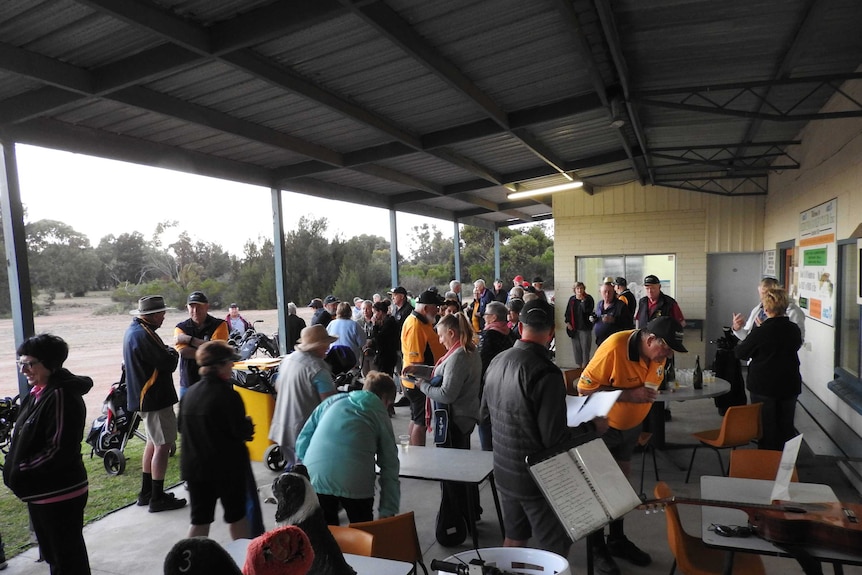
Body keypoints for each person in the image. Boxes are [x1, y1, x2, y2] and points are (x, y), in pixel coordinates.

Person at [481, 299, 608, 557]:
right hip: (537, 478)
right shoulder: (546, 373)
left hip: (504, 470)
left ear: (519, 326)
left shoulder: (497, 362)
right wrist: (593, 427)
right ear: (551, 332)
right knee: (555, 552)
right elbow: (555, 439)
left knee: (514, 542)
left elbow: (483, 413)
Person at [578, 316, 686, 574]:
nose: (669, 355)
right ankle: (596, 547)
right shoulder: (615, 348)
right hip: (605, 428)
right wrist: (629, 395)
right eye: (666, 348)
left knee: (621, 487)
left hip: (630, 429)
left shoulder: (656, 354)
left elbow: (651, 381)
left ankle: (616, 539)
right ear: (650, 340)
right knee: (600, 488)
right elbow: (583, 388)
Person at [3, 334, 93, 574]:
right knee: (57, 557)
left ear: (51, 365)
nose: (24, 370)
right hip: (41, 492)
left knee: (67, 561)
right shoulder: (38, 393)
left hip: (59, 494)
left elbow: (59, 450)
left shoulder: (61, 396)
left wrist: (20, 469)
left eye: (30, 364)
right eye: (20, 363)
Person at [296, 371, 400, 525]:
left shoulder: (332, 401)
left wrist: (313, 466)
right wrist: (387, 509)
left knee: (325, 537)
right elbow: (389, 464)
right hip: (355, 481)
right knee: (362, 535)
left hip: (316, 477)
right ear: (385, 399)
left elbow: (302, 440)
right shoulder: (379, 412)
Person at [179, 341, 254, 540]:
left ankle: (189, 563)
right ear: (219, 365)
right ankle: (242, 562)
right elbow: (240, 432)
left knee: (199, 521)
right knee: (237, 518)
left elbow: (181, 428)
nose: (232, 366)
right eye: (230, 362)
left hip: (195, 469)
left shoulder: (189, 394)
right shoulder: (228, 395)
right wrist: (248, 425)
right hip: (226, 470)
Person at [124, 296, 187, 513]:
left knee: (152, 442)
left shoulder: (135, 331)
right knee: (164, 445)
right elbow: (168, 362)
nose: (163, 317)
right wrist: (171, 351)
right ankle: (157, 498)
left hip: (146, 399)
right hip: (155, 399)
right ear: (151, 315)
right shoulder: (144, 335)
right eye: (161, 313)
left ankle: (147, 492)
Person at [734, 288, 802, 451]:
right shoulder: (793, 329)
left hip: (764, 385)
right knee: (786, 426)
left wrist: (757, 331)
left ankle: (768, 463)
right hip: (789, 383)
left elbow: (741, 352)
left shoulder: (761, 331)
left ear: (765, 309)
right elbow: (796, 345)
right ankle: (786, 465)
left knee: (766, 428)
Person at [269, 325, 338, 468]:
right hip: (304, 433)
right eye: (326, 344)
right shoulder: (318, 369)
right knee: (306, 475)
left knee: (293, 468)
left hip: (282, 429)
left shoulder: (288, 359)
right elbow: (330, 404)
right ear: (317, 346)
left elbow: (278, 386)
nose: (328, 347)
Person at [400, 289, 446, 446]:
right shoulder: (415, 326)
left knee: (416, 418)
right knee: (421, 421)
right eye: (436, 307)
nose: (438, 310)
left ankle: (414, 452)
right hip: (417, 382)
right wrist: (424, 382)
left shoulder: (423, 322)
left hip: (419, 381)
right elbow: (415, 364)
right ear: (426, 308)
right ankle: (418, 456)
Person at [174, 291, 229, 398]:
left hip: (215, 382)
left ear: (207, 307)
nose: (195, 311)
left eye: (199, 306)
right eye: (192, 307)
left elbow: (218, 350)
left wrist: (189, 339)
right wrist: (210, 349)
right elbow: (184, 352)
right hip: (188, 383)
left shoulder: (220, 325)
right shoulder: (180, 327)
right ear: (187, 308)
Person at [477, 301, 513, 450]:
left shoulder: (488, 336)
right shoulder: (511, 334)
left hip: (488, 383)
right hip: (507, 382)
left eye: (486, 315)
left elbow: (482, 361)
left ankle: (487, 453)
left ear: (493, 317)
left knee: (484, 421)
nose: (484, 317)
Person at [732, 276, 806, 342]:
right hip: (757, 356)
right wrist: (737, 329)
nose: (762, 298)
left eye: (765, 294)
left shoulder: (793, 312)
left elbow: (797, 341)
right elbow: (747, 337)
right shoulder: (758, 309)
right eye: (760, 294)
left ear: (776, 293)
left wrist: (766, 330)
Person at [325, 302, 365, 368]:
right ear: (350, 312)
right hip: (351, 361)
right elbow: (362, 342)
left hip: (335, 360)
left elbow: (326, 340)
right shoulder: (354, 325)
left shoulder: (331, 324)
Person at [365, 300, 400, 376]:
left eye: (375, 312)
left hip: (387, 356)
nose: (374, 315)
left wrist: (374, 326)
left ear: (380, 312)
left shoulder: (389, 323)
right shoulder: (384, 322)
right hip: (383, 355)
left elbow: (380, 338)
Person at [565, 281, 595, 367]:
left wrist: (583, 301)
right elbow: (567, 312)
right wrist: (568, 323)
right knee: (576, 349)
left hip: (585, 328)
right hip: (574, 328)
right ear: (574, 290)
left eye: (581, 288)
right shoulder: (572, 299)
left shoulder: (588, 298)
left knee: (585, 349)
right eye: (577, 288)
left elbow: (587, 311)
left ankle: (585, 367)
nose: (579, 290)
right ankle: (579, 367)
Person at [592, 280, 629, 347]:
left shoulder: (621, 305)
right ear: (600, 293)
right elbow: (597, 317)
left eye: (610, 292)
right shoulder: (599, 304)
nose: (607, 294)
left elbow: (628, 325)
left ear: (614, 292)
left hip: (615, 344)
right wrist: (594, 319)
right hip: (600, 343)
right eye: (604, 292)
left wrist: (614, 320)